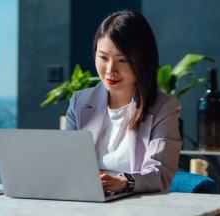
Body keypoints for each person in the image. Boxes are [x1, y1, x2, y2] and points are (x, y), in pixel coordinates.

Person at [65, 10, 182, 194]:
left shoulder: (163, 107)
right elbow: (67, 163)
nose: (110, 70)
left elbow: (160, 173)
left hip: (135, 204)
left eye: (123, 60)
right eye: (103, 57)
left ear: (142, 60)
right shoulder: (79, 102)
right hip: (87, 200)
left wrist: (123, 182)